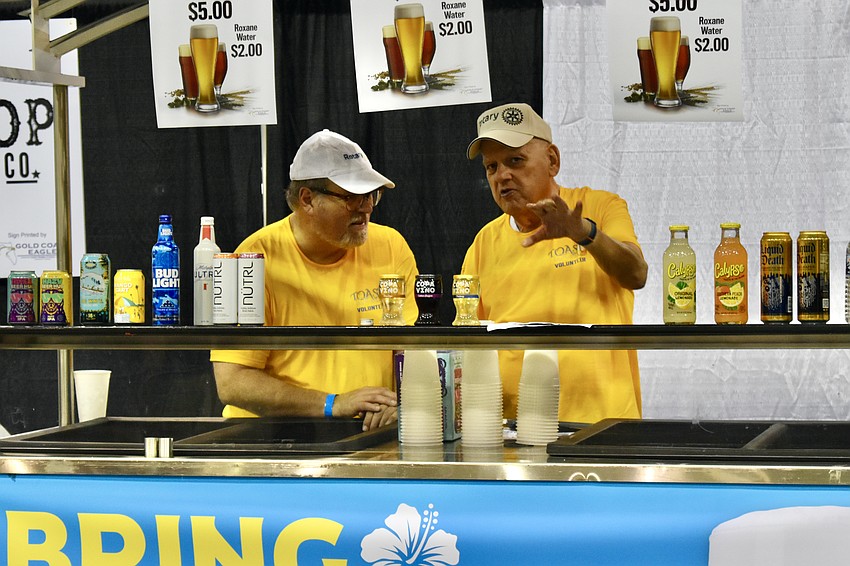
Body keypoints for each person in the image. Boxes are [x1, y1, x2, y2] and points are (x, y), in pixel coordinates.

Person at [210, 129, 418, 430]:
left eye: (371, 194)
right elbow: (232, 382)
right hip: (274, 439)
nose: (367, 207)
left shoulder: (390, 245)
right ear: (307, 199)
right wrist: (332, 404)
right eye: (351, 197)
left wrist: (405, 403)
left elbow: (415, 350)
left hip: (371, 433)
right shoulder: (255, 259)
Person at [462, 103, 648, 424]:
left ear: (552, 160)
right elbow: (467, 342)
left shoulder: (600, 207)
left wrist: (584, 233)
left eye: (515, 161)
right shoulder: (483, 243)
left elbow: (636, 273)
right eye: (491, 167)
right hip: (512, 429)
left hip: (599, 425)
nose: (502, 175)